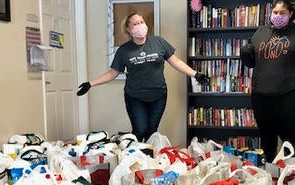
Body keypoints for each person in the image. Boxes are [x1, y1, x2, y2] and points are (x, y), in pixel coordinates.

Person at [77, 12, 210, 142]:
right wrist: (90, 83)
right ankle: (134, 154)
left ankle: (147, 160)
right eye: (135, 24)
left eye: (142, 22)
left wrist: (196, 74)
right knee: (140, 130)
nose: (140, 25)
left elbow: (176, 62)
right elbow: (112, 73)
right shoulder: (124, 50)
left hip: (158, 95)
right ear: (129, 30)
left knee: (152, 131)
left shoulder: (159, 42)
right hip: (135, 96)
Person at [240, 0, 295, 162]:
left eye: (282, 12)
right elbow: (251, 63)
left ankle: (294, 174)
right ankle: (270, 172)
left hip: (290, 95)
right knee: (267, 138)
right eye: (275, 12)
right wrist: (245, 54)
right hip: (262, 97)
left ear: (290, 14)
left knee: (293, 139)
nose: (278, 15)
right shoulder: (261, 32)